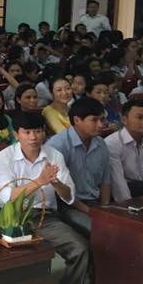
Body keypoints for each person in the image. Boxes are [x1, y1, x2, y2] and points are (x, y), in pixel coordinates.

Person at [0, 110, 90, 284]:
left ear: (44, 132)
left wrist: (56, 183)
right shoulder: (3, 157)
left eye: (37, 131)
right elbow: (8, 197)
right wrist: (40, 181)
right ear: (16, 134)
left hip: (45, 216)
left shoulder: (54, 155)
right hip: (13, 218)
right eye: (27, 132)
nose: (33, 137)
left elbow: (69, 195)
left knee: (80, 248)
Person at [46, 97, 112, 234]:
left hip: (96, 202)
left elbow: (106, 181)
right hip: (68, 206)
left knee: (125, 229)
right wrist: (89, 211)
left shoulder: (101, 143)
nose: (101, 125)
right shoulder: (58, 146)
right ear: (77, 120)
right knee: (100, 232)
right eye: (94, 120)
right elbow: (59, 190)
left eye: (102, 119)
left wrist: (104, 209)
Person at [106, 96, 143, 200]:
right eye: (139, 117)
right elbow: (118, 184)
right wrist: (127, 205)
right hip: (120, 196)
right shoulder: (112, 144)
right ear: (124, 120)